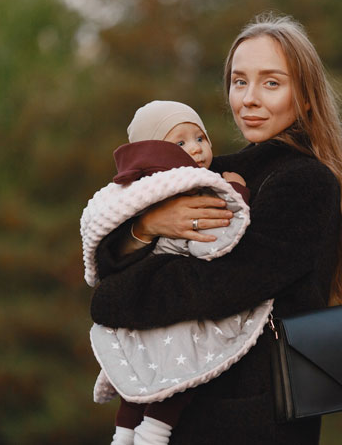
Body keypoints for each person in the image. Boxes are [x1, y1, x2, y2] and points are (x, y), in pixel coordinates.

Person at [90, 13, 342, 445]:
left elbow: (219, 286)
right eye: (239, 81)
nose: (249, 99)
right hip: (197, 413)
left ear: (306, 98)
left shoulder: (305, 182)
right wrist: (147, 226)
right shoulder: (215, 173)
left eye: (271, 83)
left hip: (255, 423)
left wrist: (120, 295)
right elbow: (110, 260)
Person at [81, 100, 272, 445]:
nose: (196, 149)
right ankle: (135, 434)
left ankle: (136, 434)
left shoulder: (190, 185)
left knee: (159, 367)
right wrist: (238, 195)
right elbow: (214, 241)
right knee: (171, 368)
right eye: (180, 143)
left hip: (157, 301)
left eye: (200, 137)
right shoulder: (156, 192)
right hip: (154, 299)